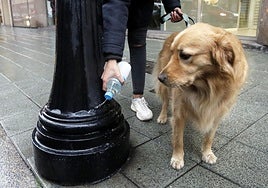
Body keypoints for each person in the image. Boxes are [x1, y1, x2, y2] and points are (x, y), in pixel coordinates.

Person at [101, 0, 183, 121]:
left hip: (141, 8)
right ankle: (100, 94)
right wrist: (112, 58)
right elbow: (115, 9)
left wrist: (173, 5)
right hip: (113, 5)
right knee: (107, 39)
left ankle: (138, 98)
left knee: (138, 44)